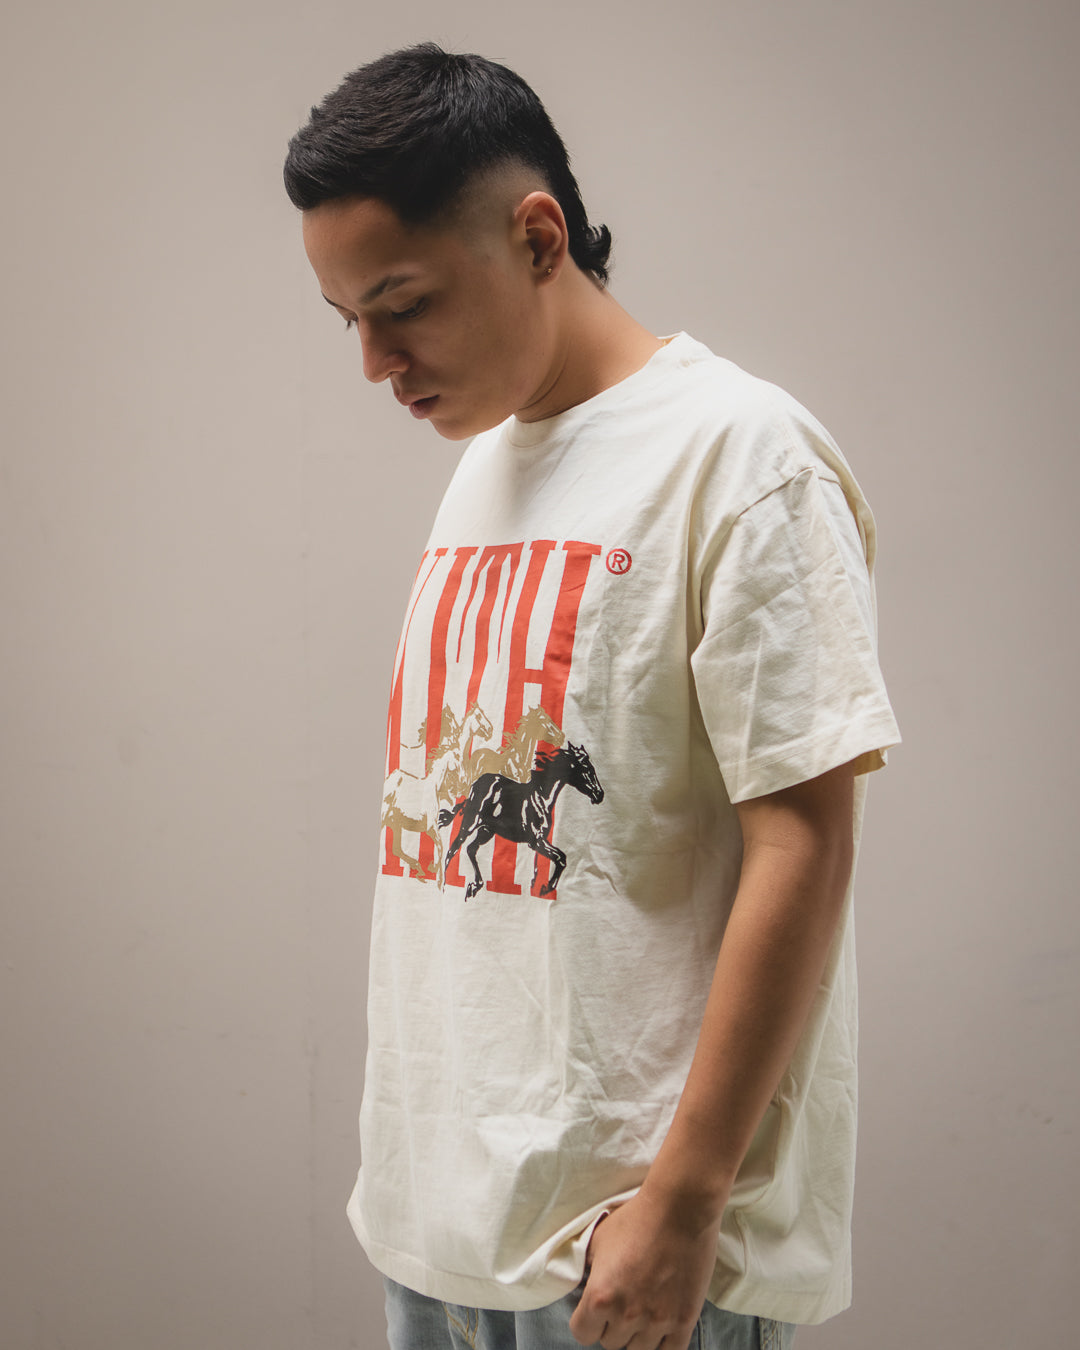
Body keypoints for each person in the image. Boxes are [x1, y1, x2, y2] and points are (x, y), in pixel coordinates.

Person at [284, 43, 900, 1350]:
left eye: (404, 304)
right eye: (349, 320)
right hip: (442, 1235)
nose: (377, 362)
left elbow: (806, 840)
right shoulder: (488, 463)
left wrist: (684, 1203)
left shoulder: (745, 458)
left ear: (537, 236)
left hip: (630, 1259)